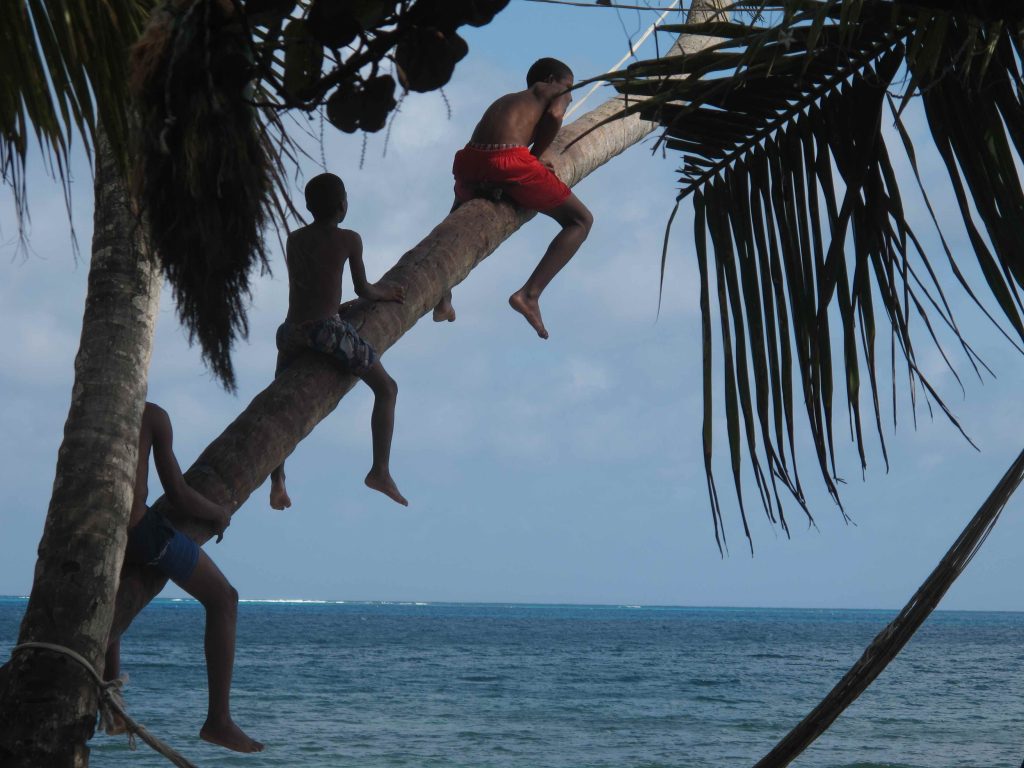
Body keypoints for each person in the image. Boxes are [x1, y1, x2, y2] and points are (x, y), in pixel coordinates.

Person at [105, 402, 263, 753]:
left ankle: (110, 702)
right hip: (139, 535)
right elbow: (177, 492)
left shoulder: (90, 411)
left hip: (90, 538)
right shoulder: (151, 415)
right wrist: (218, 513)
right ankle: (218, 720)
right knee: (224, 598)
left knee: (110, 595)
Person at [269, 173, 407, 510]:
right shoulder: (349, 239)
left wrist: (333, 307)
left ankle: (277, 481)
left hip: (291, 331)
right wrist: (387, 293)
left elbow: (311, 284)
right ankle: (380, 471)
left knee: (276, 403)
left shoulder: (295, 239)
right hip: (325, 331)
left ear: (308, 206)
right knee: (387, 388)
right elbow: (365, 290)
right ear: (343, 206)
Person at [432, 57, 593, 339]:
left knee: (456, 213)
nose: (570, 95)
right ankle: (529, 294)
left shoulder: (509, 99)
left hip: (470, 160)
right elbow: (555, 116)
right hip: (506, 160)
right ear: (553, 78)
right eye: (570, 87)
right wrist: (537, 156)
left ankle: (443, 296)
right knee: (581, 221)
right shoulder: (551, 90)